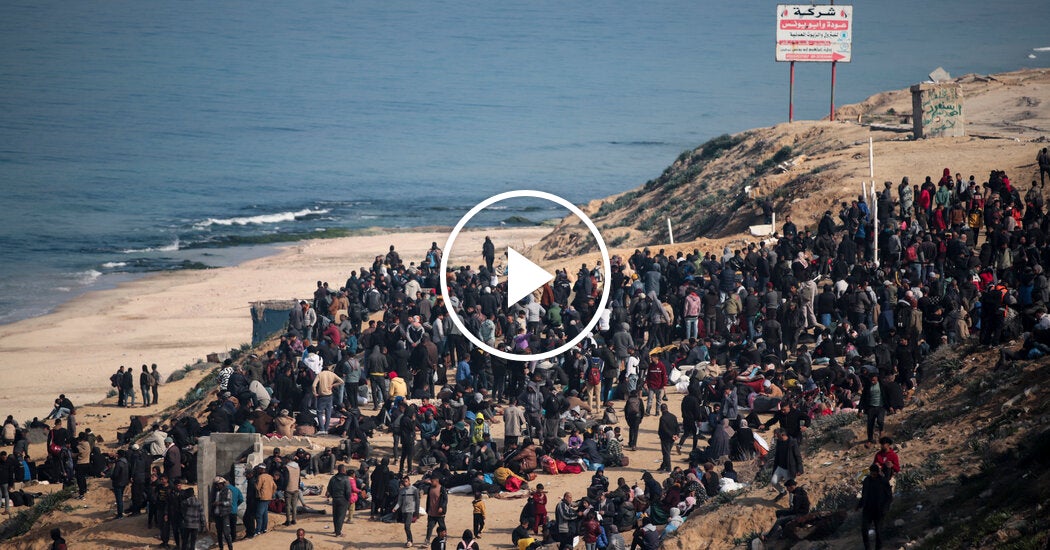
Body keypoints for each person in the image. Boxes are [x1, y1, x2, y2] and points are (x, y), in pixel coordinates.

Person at [858, 464, 893, 550]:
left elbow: (889, 497)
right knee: (864, 530)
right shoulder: (867, 480)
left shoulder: (883, 481)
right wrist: (859, 505)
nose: (873, 475)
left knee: (878, 531)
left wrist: (885, 508)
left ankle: (878, 548)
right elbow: (864, 494)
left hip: (879, 510)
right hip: (868, 509)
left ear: (877, 472)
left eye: (874, 474)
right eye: (871, 473)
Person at [769, 429, 803, 500]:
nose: (776, 437)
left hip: (789, 469)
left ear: (782, 435)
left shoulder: (792, 442)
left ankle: (791, 503)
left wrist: (799, 469)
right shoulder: (779, 442)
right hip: (780, 467)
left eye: (777, 436)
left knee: (791, 487)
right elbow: (777, 455)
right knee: (773, 481)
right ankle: (782, 492)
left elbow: (798, 456)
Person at [394, 475, 421, 548]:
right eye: (404, 482)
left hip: (411, 510)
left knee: (407, 526)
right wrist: (395, 508)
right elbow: (399, 501)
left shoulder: (414, 490)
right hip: (404, 510)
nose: (405, 483)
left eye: (406, 481)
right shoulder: (401, 491)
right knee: (406, 527)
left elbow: (417, 501)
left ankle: (410, 540)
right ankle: (409, 540)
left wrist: (417, 512)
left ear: (409, 481)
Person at [326, 464, 351, 537]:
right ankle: (338, 533)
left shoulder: (333, 478)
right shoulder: (346, 479)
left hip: (335, 499)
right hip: (343, 499)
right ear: (343, 470)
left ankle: (336, 530)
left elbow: (329, 489)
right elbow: (348, 491)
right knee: (341, 516)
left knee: (335, 515)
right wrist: (348, 499)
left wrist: (333, 495)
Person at [424, 475, 448, 546]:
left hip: (439, 513)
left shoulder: (442, 489)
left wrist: (441, 507)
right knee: (430, 527)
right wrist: (427, 509)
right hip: (431, 512)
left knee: (442, 527)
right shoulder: (430, 488)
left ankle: (444, 538)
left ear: (436, 481)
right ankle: (427, 540)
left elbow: (445, 500)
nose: (431, 482)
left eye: (432, 481)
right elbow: (428, 500)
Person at [212, 477, 234, 550]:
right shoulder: (216, 492)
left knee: (226, 533)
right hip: (217, 515)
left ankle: (230, 547)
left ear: (222, 484)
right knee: (219, 533)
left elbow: (229, 503)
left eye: (218, 484)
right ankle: (221, 547)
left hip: (224, 514)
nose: (217, 486)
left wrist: (220, 503)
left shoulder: (228, 491)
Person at [254, 465, 276, 535]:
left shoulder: (261, 477)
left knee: (259, 515)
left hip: (262, 498)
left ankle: (258, 530)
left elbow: (257, 487)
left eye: (259, 469)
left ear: (261, 469)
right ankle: (264, 528)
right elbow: (275, 486)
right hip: (268, 497)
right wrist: (271, 493)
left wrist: (254, 484)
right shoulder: (270, 476)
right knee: (265, 514)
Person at [657, 403, 679, 472]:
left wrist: (671, 435)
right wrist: (676, 435)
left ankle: (668, 468)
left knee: (666, 453)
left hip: (665, 438)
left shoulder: (662, 418)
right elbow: (677, 427)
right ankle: (663, 466)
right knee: (667, 452)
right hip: (672, 438)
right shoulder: (673, 416)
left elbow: (664, 429)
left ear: (661, 410)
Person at [110, 449, 130, 518]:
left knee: (119, 499)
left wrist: (112, 477)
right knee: (120, 498)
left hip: (118, 482)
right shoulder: (126, 462)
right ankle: (121, 512)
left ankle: (120, 514)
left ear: (119, 455)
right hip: (124, 482)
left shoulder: (119, 463)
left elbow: (115, 474)